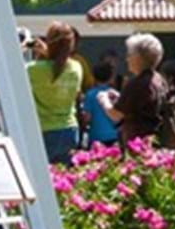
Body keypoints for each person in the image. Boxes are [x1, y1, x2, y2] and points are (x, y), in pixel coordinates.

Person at [27, 23, 85, 166]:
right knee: (64, 180)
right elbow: (59, 64)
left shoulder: (32, 69)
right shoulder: (77, 68)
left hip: (43, 130)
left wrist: (24, 47)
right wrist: (47, 51)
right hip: (69, 129)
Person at [114, 33, 168, 148]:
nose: (126, 59)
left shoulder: (136, 83)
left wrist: (103, 100)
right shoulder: (159, 80)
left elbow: (116, 114)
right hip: (156, 140)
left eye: (129, 54)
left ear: (138, 57)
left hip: (137, 144)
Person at [82, 61, 122, 147]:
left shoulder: (90, 95)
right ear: (111, 78)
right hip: (113, 136)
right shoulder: (114, 94)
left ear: (93, 77)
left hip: (96, 137)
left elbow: (87, 118)